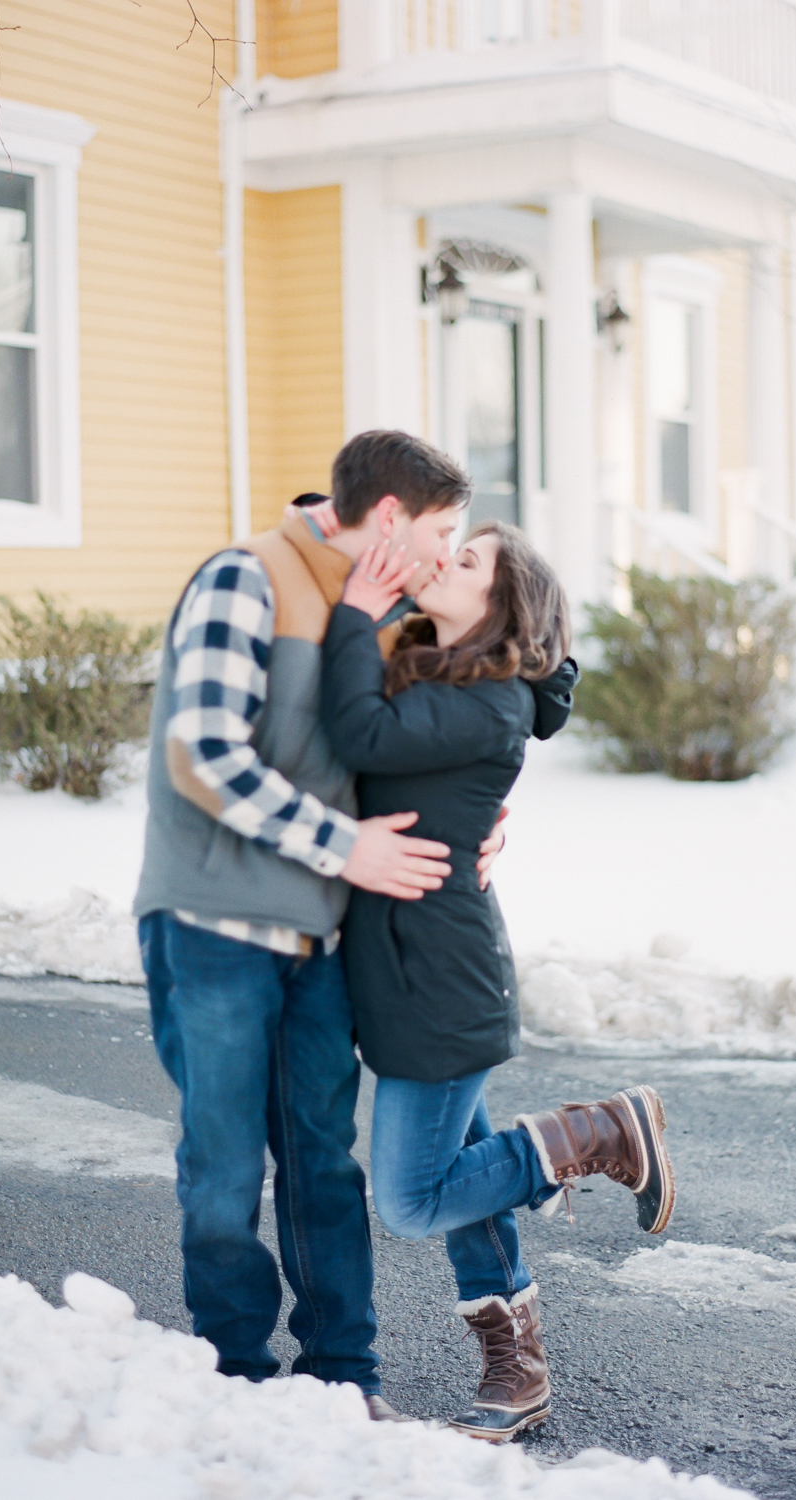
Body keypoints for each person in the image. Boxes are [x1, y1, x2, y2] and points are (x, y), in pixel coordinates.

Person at [133, 431, 508, 1417]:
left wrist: (475, 810)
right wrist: (346, 848)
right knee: (221, 1168)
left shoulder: (383, 613)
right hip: (213, 924)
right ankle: (237, 1379)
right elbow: (203, 756)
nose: (444, 553)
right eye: (441, 531)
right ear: (389, 518)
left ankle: (342, 1379)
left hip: (322, 937)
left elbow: (460, 708)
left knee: (320, 1166)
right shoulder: (243, 579)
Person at [319, 521, 676, 1443]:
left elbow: (355, 729)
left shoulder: (484, 699)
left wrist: (357, 615)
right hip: (407, 972)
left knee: (413, 1199)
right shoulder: (443, 675)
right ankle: (514, 1372)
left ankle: (598, 1133)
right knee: (462, 1184)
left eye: (467, 560)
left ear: (499, 607)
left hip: (438, 984)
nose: (445, 560)